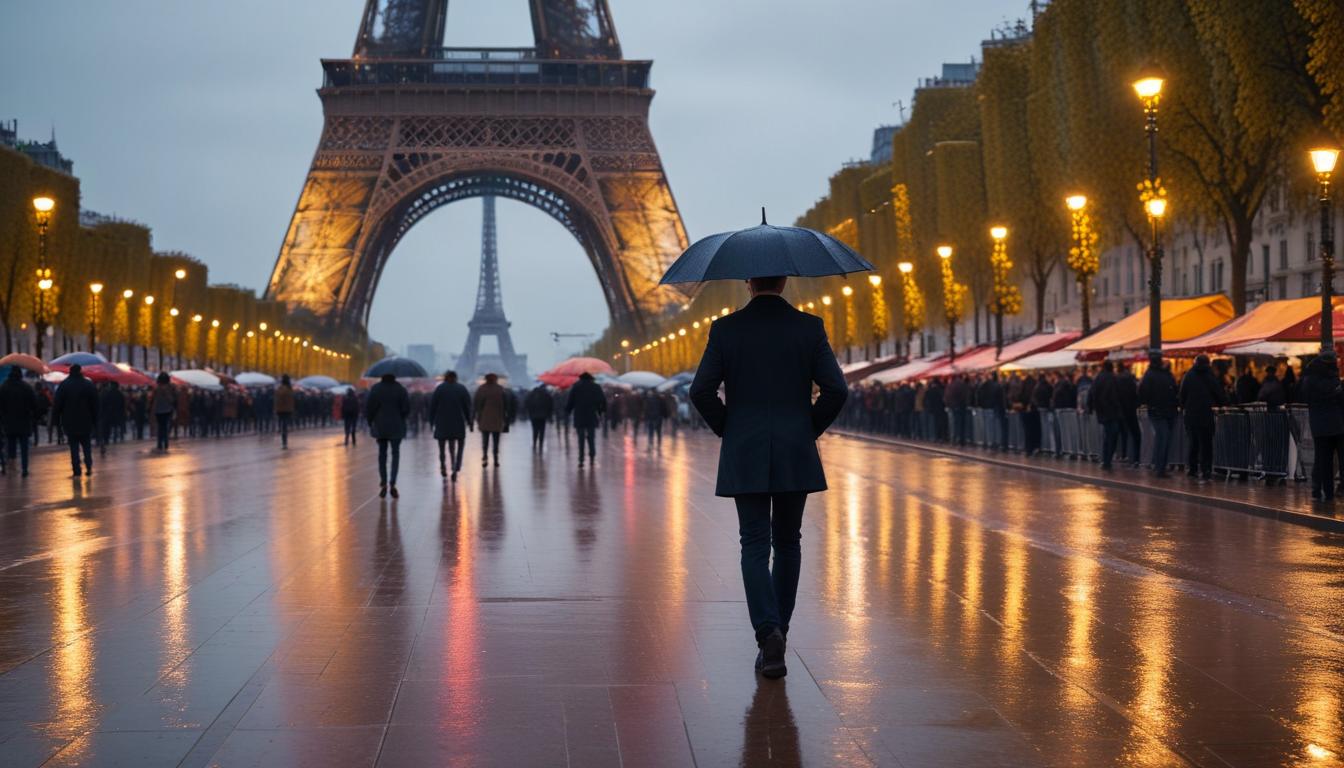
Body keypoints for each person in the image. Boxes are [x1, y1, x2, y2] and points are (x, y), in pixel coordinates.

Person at [689, 275, 847, 680]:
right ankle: (781, 630)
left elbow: (701, 391)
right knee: (789, 542)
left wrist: (730, 427)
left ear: (747, 283)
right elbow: (836, 390)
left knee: (754, 543)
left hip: (747, 448)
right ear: (785, 282)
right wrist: (806, 428)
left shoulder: (725, 329)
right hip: (795, 448)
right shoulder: (809, 327)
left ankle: (767, 632)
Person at [1300, 356, 1344, 501]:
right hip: (1338, 425)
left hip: (1319, 426)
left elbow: (1302, 397)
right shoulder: (1335, 381)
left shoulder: (1309, 381)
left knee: (1323, 461)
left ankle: (1327, 492)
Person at [1178, 354, 1226, 481]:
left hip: (1191, 414)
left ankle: (1192, 469)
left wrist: (1183, 406)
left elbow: (1182, 394)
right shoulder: (1209, 376)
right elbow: (1218, 392)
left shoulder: (1188, 375)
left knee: (1193, 442)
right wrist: (1223, 403)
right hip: (1205, 414)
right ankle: (1206, 470)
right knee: (1206, 444)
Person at [366, 371, 409, 498]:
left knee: (382, 455)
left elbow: (369, 408)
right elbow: (406, 409)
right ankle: (393, 483)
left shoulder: (376, 389)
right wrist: (400, 418)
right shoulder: (401, 389)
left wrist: (370, 421)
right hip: (396, 427)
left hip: (381, 427)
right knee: (395, 454)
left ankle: (383, 482)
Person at [53, 364, 99, 477]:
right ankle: (88, 466)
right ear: (80, 371)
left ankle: (76, 470)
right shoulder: (88, 385)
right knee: (86, 446)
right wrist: (96, 421)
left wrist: (57, 422)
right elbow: (95, 405)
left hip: (70, 422)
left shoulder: (64, 385)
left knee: (73, 447)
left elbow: (57, 405)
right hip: (86, 422)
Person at [1138, 360, 1179, 478]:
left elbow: (1142, 392)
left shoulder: (1160, 375)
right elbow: (1143, 392)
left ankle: (1160, 466)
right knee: (1163, 437)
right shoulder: (1159, 375)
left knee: (1163, 439)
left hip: (1165, 411)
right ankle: (1159, 467)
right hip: (1160, 411)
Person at [430, 370, 473, 481]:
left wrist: (431, 422)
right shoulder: (461, 389)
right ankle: (455, 467)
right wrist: (470, 421)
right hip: (457, 422)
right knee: (458, 446)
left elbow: (432, 407)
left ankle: (443, 465)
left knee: (442, 448)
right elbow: (467, 407)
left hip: (442, 423)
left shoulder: (439, 389)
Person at [0, 367, 38, 476]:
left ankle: (12, 468)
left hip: (8, 423)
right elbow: (34, 405)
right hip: (24, 422)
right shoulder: (26, 387)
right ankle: (24, 469)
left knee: (10, 446)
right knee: (24, 448)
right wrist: (33, 416)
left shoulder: (4, 388)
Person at [566, 372, 606, 466]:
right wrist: (600, 412)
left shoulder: (576, 387)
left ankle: (581, 459)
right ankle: (592, 457)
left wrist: (567, 411)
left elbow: (570, 401)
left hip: (579, 415)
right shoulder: (596, 387)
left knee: (581, 438)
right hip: (591, 415)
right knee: (591, 437)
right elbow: (602, 401)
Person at [1089, 360, 1121, 470]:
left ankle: (1106, 460)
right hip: (1112, 411)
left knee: (1107, 435)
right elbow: (1117, 395)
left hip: (1102, 411)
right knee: (1112, 436)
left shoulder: (1098, 378)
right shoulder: (1113, 378)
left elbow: (1092, 393)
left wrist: (1091, 407)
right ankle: (1107, 460)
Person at [474, 372, 507, 467]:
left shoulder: (481, 389)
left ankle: (485, 456)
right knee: (496, 441)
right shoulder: (500, 389)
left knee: (485, 440)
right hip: (497, 418)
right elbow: (506, 405)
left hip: (485, 418)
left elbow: (476, 404)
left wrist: (476, 416)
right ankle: (496, 459)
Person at [97, 381, 126, 456]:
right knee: (115, 426)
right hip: (117, 413)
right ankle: (115, 438)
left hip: (109, 413)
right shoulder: (120, 394)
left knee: (108, 427)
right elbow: (122, 404)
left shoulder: (108, 393)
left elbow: (104, 404)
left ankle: (108, 440)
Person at [524, 385, 553, 452]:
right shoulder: (546, 395)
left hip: (533, 416)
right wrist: (549, 414)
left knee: (535, 430)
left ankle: (534, 443)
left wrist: (529, 412)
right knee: (542, 430)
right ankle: (541, 443)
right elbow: (550, 405)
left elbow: (526, 404)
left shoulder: (531, 395)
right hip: (543, 416)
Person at [151, 373, 176, 451]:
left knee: (160, 427)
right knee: (165, 426)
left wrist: (153, 410)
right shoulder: (170, 388)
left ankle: (159, 444)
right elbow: (172, 400)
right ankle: (165, 443)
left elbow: (154, 401)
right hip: (167, 410)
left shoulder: (157, 389)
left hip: (158, 410)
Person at [275, 375, 296, 449]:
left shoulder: (281, 389)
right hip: (288, 410)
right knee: (285, 426)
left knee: (283, 426)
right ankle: (285, 442)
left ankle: (284, 443)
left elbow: (278, 399)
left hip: (281, 410)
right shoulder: (290, 389)